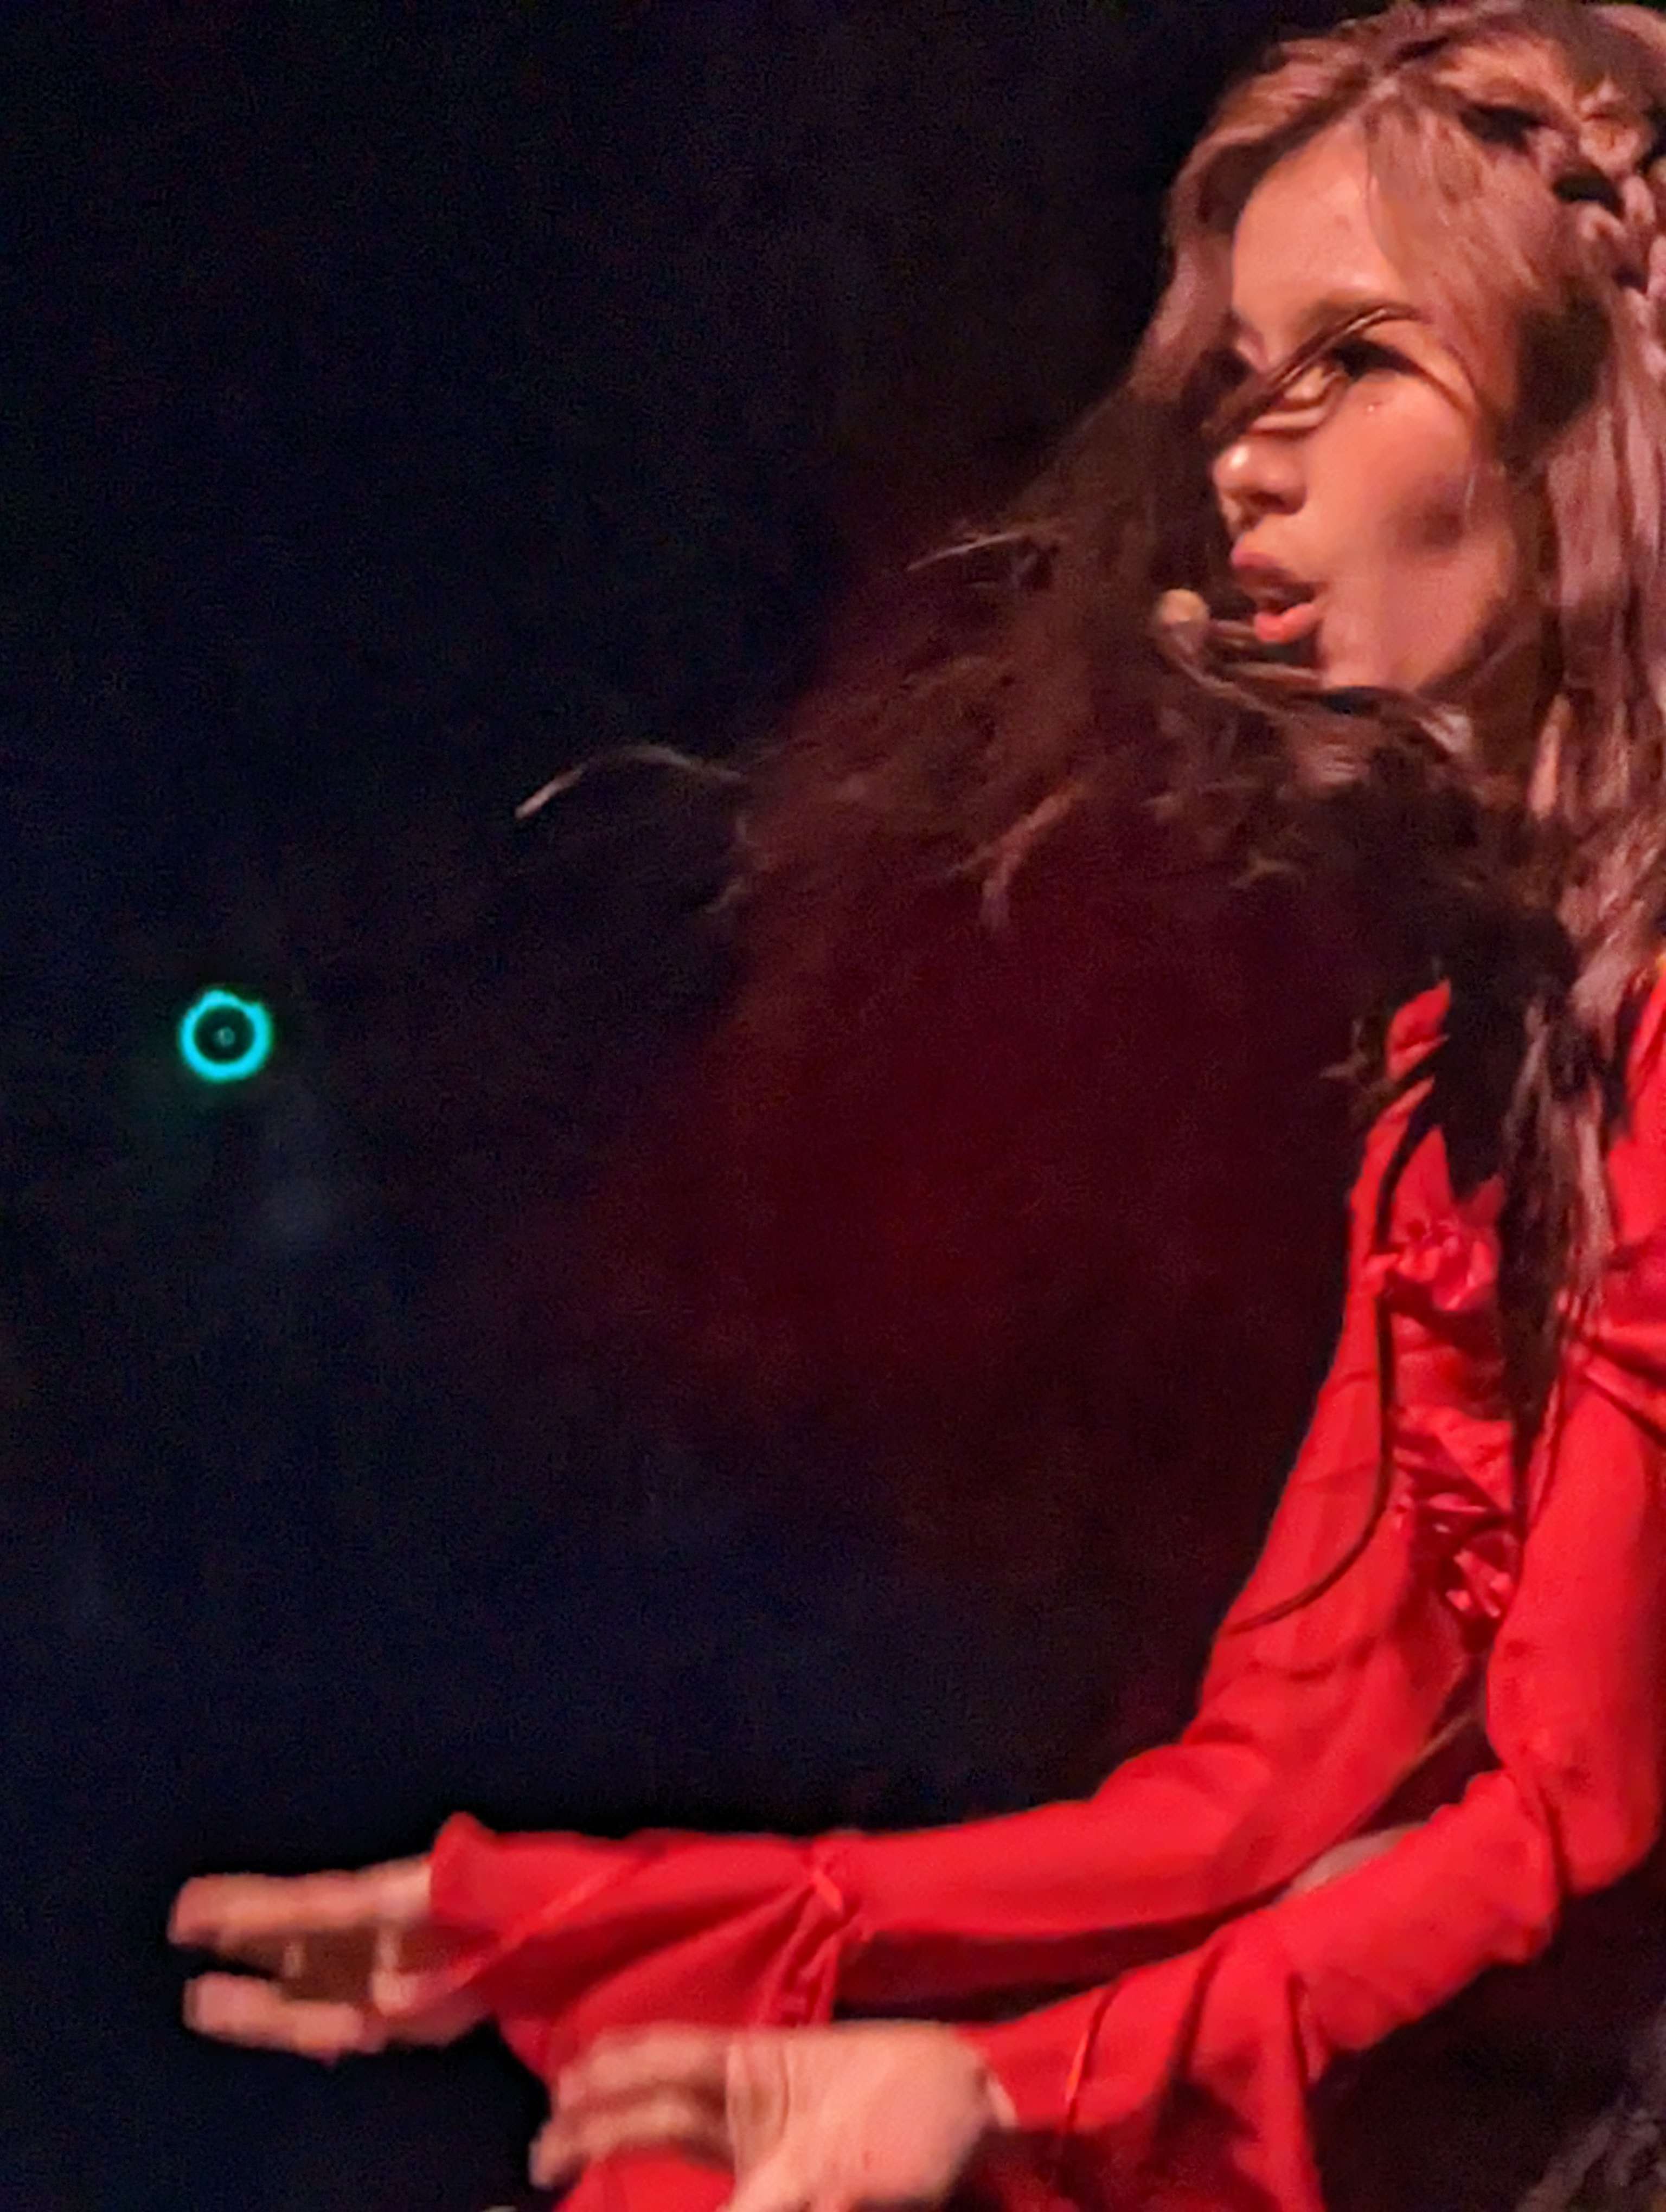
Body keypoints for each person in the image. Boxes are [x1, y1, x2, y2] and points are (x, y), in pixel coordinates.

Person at [168, 5, 1666, 2207]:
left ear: (1600, 397)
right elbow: (1262, 1778)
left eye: (1354, 361)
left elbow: (1577, 1813)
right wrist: (576, 1923)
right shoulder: (1473, 1061)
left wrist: (1017, 2091)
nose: (1250, 460)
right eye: (1247, 378)